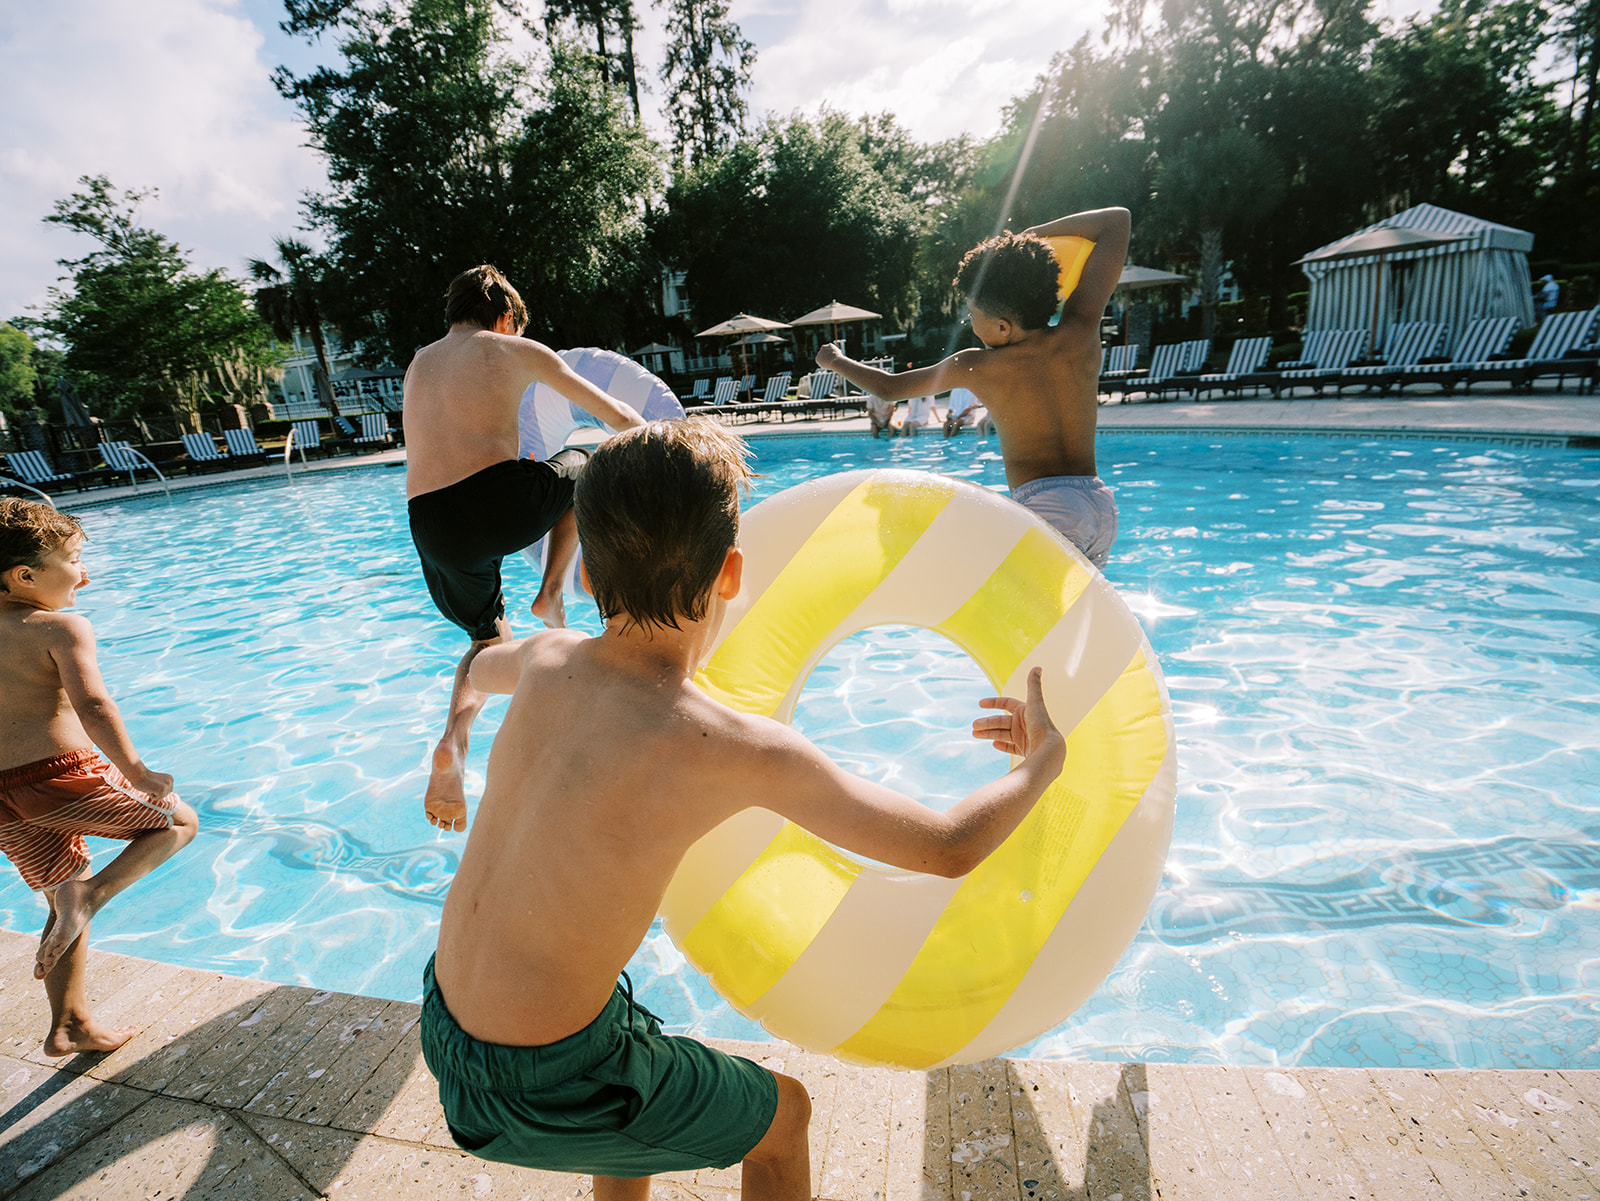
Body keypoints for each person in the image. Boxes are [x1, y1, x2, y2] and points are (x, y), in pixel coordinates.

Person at [422, 418, 1066, 1201]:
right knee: (784, 1116)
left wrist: (447, 757)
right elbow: (951, 845)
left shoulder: (545, 658)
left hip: (445, 1028)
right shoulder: (728, 742)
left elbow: (473, 664)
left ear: (587, 576)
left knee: (635, 1052)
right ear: (730, 574)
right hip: (548, 1084)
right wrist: (1042, 764)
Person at [404, 265, 647, 832]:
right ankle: (549, 593)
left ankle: (454, 741)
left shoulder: (419, 361)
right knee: (585, 461)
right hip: (495, 501)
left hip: (430, 523)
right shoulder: (515, 349)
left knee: (487, 642)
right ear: (508, 317)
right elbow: (620, 418)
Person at [818, 208, 1130, 569]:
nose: (969, 324)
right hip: (1100, 505)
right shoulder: (1080, 329)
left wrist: (835, 361)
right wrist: (1034, 232)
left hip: (1049, 510)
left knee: (1019, 622)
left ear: (1002, 327)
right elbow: (1117, 221)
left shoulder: (979, 366)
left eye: (972, 315)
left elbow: (889, 388)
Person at [0, 499, 199, 1055]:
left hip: (3, 800)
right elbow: (94, 705)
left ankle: (69, 1025)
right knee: (178, 822)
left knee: (56, 895)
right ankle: (92, 896)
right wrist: (139, 772)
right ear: (25, 576)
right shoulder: (59, 626)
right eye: (74, 560)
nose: (84, 575)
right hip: (58, 776)